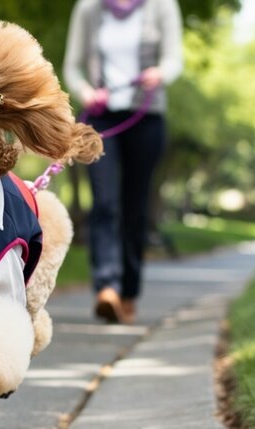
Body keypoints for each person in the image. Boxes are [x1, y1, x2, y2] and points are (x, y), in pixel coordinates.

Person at [63, 0, 183, 324]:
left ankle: (129, 292)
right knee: (104, 201)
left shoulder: (162, 7)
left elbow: (174, 59)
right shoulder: (88, 9)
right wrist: (86, 91)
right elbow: (72, 67)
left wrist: (160, 73)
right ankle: (107, 287)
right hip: (101, 118)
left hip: (147, 116)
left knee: (135, 205)